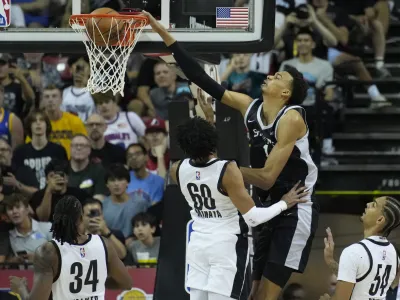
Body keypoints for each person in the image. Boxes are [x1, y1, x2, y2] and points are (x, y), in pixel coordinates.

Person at [144, 12, 318, 300]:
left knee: (265, 295)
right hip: (266, 206)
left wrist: (222, 170)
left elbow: (265, 178)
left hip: (295, 206)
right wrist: (167, 38)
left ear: (286, 92)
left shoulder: (292, 119)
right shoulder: (249, 105)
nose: (271, 74)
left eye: (279, 76)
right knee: (249, 293)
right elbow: (202, 79)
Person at [169, 117, 308, 300]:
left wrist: (208, 119)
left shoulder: (176, 168)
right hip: (225, 245)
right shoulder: (227, 169)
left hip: (197, 245)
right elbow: (253, 218)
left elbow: (201, 162)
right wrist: (283, 203)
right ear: (212, 139)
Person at [9, 195, 132, 299]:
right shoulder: (104, 243)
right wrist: (95, 283)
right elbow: (126, 283)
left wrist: (21, 289)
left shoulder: (48, 251)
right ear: (81, 218)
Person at [320, 196, 400, 300]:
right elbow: (362, 279)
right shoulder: (394, 255)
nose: (368, 204)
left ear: (380, 220)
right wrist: (330, 261)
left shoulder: (354, 252)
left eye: (374, 205)